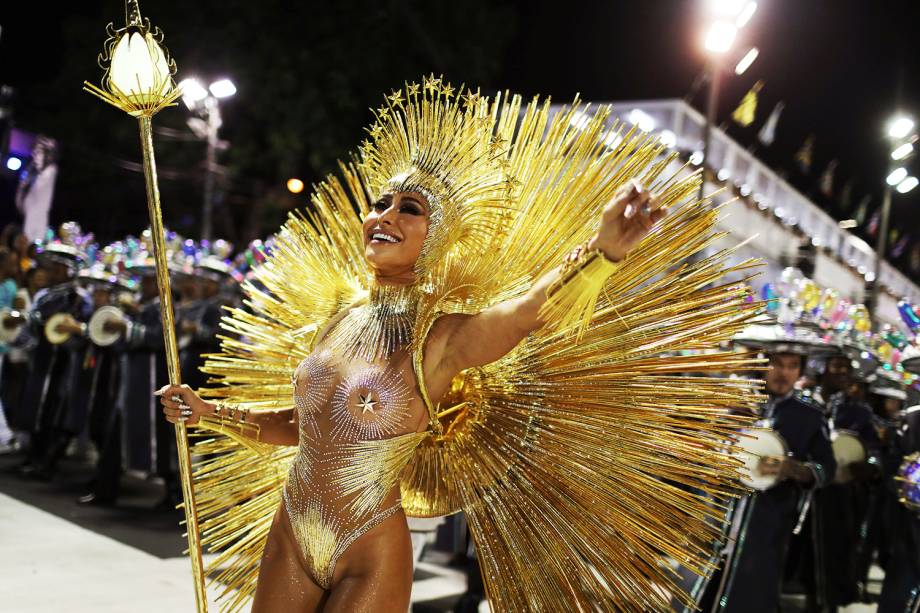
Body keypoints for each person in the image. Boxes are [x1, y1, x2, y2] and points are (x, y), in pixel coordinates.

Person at [157, 78, 761, 611]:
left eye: (410, 209)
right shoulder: (339, 318)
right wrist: (212, 414)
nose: (385, 215)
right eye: (381, 203)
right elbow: (303, 424)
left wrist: (601, 254)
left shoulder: (441, 337)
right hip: (292, 530)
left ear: (434, 236)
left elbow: (527, 312)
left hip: (369, 551)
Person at [700, 347, 836, 613]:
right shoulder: (737, 403)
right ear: (763, 365)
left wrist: (794, 469)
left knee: (752, 593)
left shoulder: (809, 417)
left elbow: (826, 468)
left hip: (769, 522)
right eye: (777, 364)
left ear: (799, 371)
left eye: (792, 366)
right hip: (719, 514)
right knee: (702, 588)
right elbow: (706, 446)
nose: (783, 373)